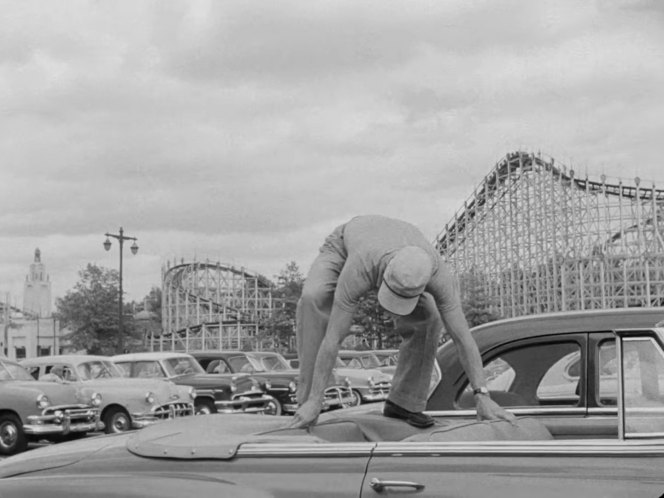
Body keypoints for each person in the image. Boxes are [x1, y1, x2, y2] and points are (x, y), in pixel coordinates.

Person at [289, 215, 516, 429]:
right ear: (384, 275)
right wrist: (315, 400)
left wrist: (482, 395)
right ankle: (308, 402)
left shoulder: (439, 275)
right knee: (314, 297)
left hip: (399, 245)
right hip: (344, 244)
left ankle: (404, 403)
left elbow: (463, 338)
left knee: (430, 318)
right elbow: (334, 337)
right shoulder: (361, 266)